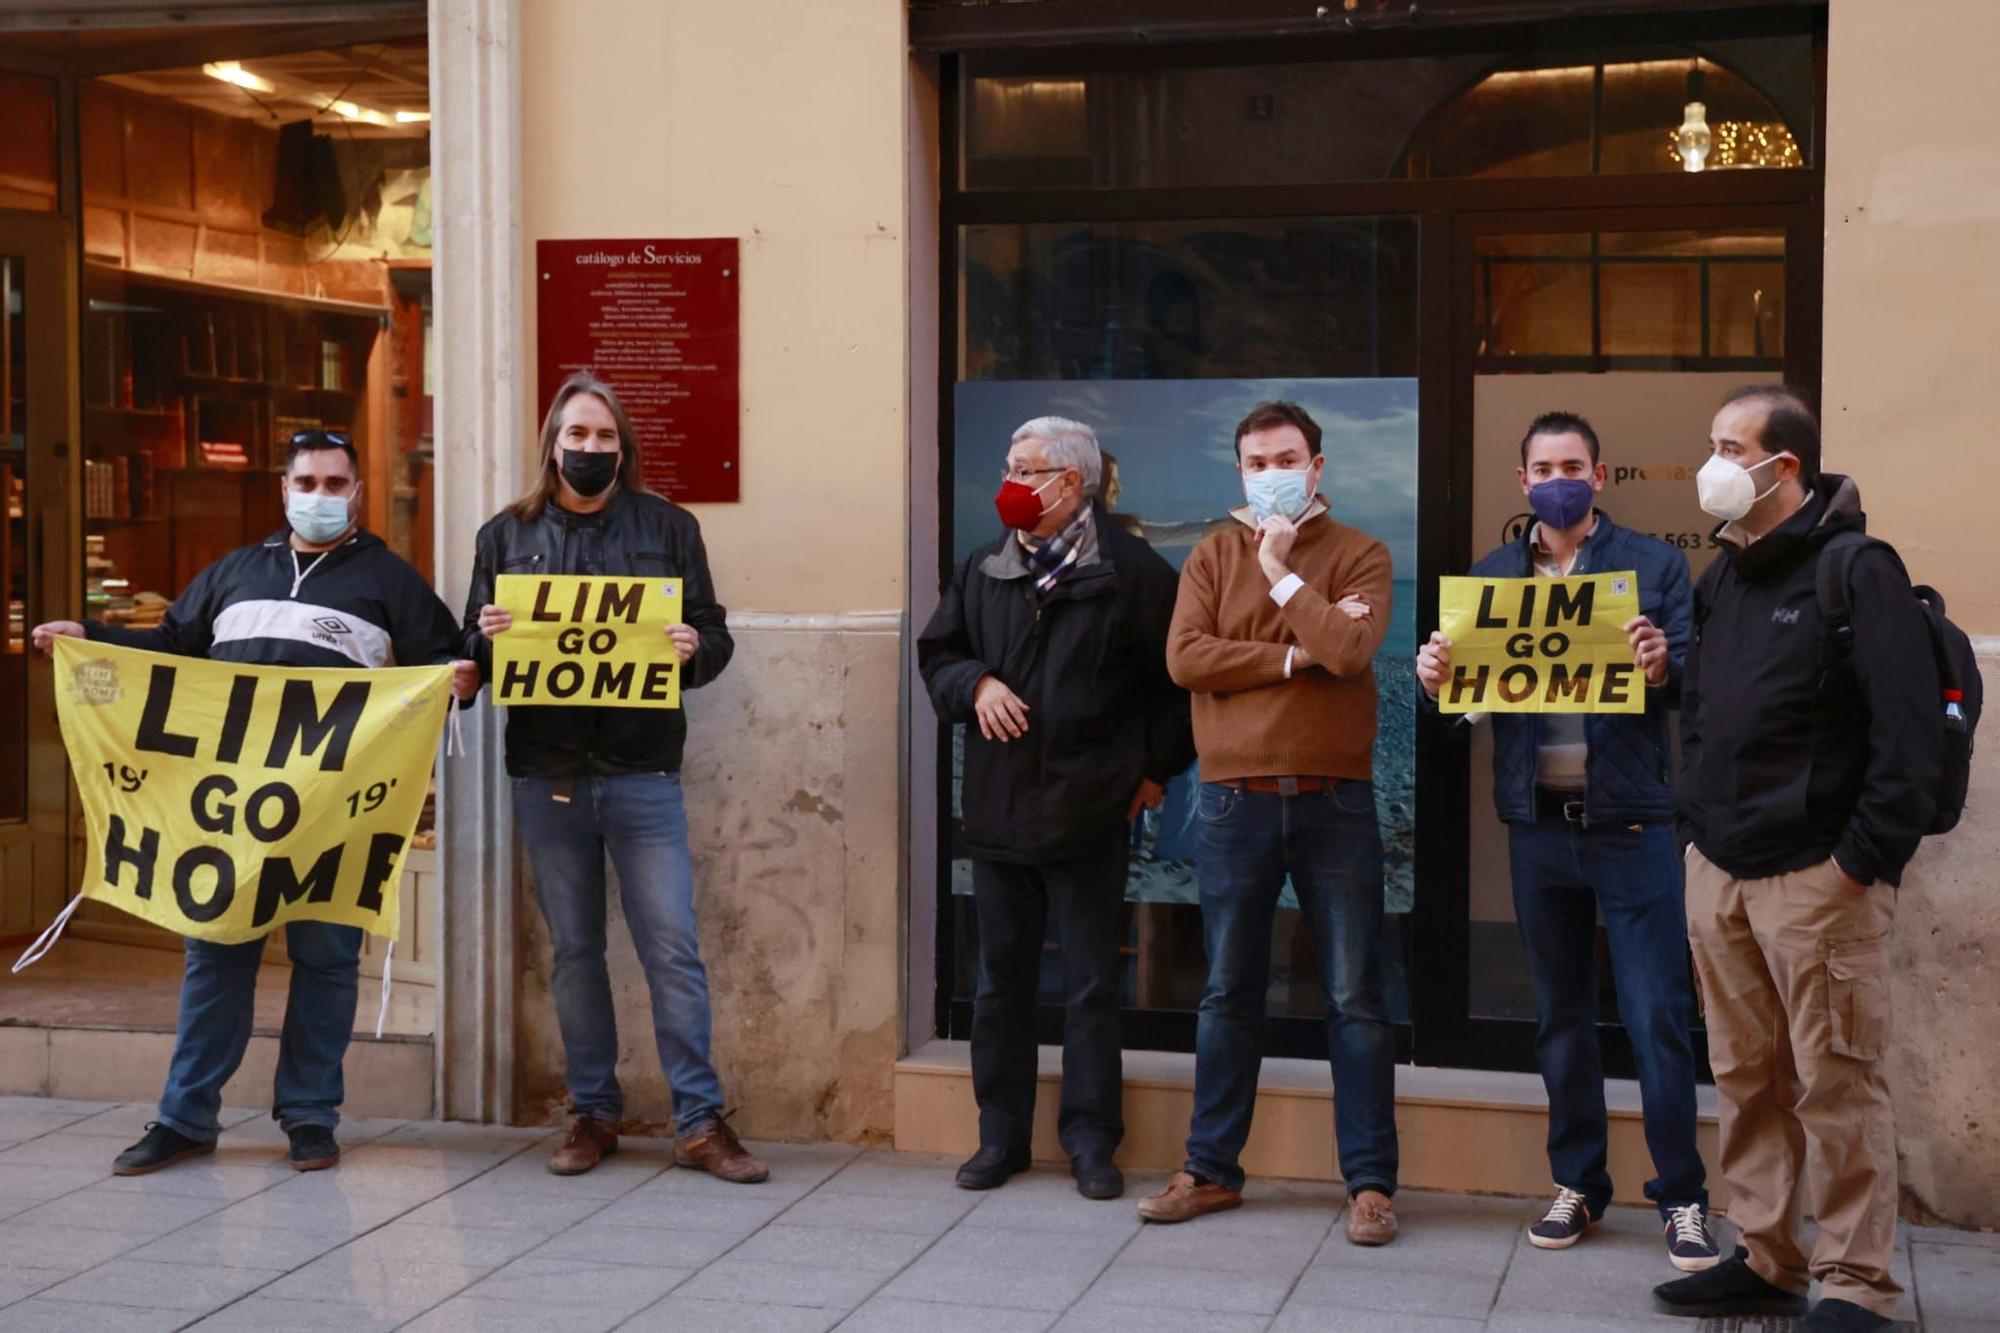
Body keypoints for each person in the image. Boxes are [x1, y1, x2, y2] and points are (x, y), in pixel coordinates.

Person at [31, 429, 478, 1175]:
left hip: (334, 809)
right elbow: (173, 648)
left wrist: (465, 676)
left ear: (358, 492)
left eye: (337, 484)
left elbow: (443, 664)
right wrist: (93, 637)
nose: (322, 496)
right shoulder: (234, 572)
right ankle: (184, 1116)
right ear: (284, 487)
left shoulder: (390, 580)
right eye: (309, 481)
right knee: (214, 956)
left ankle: (309, 1116)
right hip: (234, 814)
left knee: (328, 959)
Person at [1653, 387, 1939, 1332]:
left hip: (1818, 878)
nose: (1712, 464)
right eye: (1711, 443)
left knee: (1839, 1079)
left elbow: (1908, 743)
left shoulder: (1858, 570)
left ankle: (1855, 1281)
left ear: (1786, 467)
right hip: (1723, 868)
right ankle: (1768, 1257)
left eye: (1730, 446)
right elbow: (1706, 706)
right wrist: (1697, 828)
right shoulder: (1727, 574)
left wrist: (1856, 865)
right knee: (1747, 1076)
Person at [1415, 412, 1718, 1271]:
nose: (1559, 477)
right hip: (1538, 828)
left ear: (1600, 473)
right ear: (1522, 482)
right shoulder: (1491, 577)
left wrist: (1664, 666)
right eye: (1544, 466)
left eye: (1573, 464)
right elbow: (1461, 707)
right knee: (1560, 1018)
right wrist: (1434, 683)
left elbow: (1691, 687)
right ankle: (1579, 1180)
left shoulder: (1655, 566)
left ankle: (1684, 1197)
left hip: (1633, 826)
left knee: (1658, 1015)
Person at [465, 371, 765, 1184]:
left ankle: (699, 1120)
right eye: (577, 435)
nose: (589, 449)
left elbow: (714, 631)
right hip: (547, 772)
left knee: (672, 945)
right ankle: (593, 1111)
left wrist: (692, 649)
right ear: (551, 445)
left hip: (642, 771)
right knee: (575, 950)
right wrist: (486, 640)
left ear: (623, 446)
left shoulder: (669, 528)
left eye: (604, 437)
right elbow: (475, 658)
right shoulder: (504, 536)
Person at [1139, 400, 1400, 1244]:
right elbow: (1187, 658)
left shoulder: (1361, 552)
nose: (1271, 472)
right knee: (1227, 992)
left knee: (1356, 997)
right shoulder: (1213, 553)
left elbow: (1354, 654)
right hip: (1231, 799)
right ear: (1239, 471)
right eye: (1256, 461)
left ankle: (1369, 1183)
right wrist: (1294, 654)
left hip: (1337, 799)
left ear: (1317, 466)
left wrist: (1285, 574)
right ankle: (1210, 1169)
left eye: (1286, 457)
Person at [918, 416, 1192, 1200]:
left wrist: (1154, 770)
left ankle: (1090, 1141)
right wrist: (975, 682)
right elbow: (937, 654)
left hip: (1091, 812)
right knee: (999, 986)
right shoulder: (982, 568)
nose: (1008, 479)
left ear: (1070, 483)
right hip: (1001, 814)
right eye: (1008, 463)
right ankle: (998, 1137)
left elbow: (1176, 686)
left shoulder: (1136, 572)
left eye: (1023, 468)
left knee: (1090, 988)